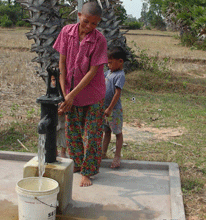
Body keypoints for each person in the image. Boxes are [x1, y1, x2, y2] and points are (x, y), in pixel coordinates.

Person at [53, 1, 107, 187]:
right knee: (73, 131)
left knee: (92, 134)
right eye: (86, 22)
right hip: (70, 92)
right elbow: (62, 64)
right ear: (78, 15)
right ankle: (77, 163)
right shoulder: (66, 32)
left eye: (94, 24)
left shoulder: (99, 40)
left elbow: (92, 72)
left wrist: (72, 95)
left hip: (93, 94)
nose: (89, 27)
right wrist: (64, 94)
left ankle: (88, 172)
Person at [102, 46, 126, 169]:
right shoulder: (109, 72)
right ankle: (103, 153)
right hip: (105, 108)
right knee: (106, 131)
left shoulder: (120, 75)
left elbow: (117, 93)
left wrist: (110, 108)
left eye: (111, 62)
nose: (108, 65)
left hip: (114, 110)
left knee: (117, 133)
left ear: (120, 61)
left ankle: (117, 156)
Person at [51, 75, 67, 158]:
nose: (55, 82)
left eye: (57, 80)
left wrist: (63, 109)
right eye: (53, 80)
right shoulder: (51, 92)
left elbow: (67, 101)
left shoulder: (65, 91)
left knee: (64, 134)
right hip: (55, 118)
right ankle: (55, 151)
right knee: (54, 134)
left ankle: (63, 152)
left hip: (64, 117)